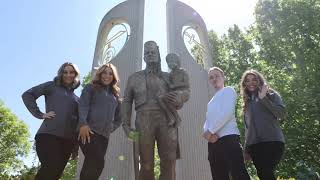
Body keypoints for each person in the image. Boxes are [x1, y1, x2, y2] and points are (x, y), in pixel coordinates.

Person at [122, 41, 189, 180]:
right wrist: (126, 125)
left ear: (158, 54)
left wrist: (180, 97)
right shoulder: (134, 78)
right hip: (143, 119)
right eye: (147, 53)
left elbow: (184, 90)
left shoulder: (168, 76)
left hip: (167, 118)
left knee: (169, 160)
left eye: (153, 52)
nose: (150, 55)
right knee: (146, 163)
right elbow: (127, 101)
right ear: (144, 58)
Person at [22, 62, 80, 180]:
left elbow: (77, 124)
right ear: (61, 74)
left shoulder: (77, 100)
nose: (68, 75)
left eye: (71, 72)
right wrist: (40, 114)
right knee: (51, 167)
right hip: (48, 136)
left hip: (68, 142)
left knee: (55, 175)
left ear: (75, 75)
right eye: (65, 72)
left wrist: (75, 147)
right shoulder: (51, 86)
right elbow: (27, 95)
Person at [203, 67, 250, 180]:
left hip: (229, 139)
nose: (214, 79)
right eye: (211, 77)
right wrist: (206, 134)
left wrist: (211, 131)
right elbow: (207, 121)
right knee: (218, 176)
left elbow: (227, 113)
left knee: (239, 174)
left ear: (223, 77)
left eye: (217, 76)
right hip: (213, 143)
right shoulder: (210, 102)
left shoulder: (229, 91)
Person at [78, 63, 121, 180]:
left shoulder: (115, 96)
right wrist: (83, 124)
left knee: (93, 165)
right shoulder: (90, 88)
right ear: (100, 74)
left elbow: (119, 117)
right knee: (96, 162)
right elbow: (83, 106)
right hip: (88, 131)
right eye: (104, 73)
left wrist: (111, 127)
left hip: (104, 137)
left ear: (114, 77)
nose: (107, 76)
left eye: (110, 73)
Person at [240, 69, 286, 180]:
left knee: (266, 172)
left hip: (273, 142)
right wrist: (246, 150)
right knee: (263, 174)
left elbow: (281, 114)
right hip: (255, 146)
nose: (251, 83)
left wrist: (263, 98)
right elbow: (248, 128)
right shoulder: (247, 103)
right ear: (244, 84)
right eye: (247, 81)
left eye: (254, 79)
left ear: (259, 80)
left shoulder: (271, 95)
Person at [158, 53, 190, 128]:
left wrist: (174, 86)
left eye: (172, 61)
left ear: (177, 61)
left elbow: (186, 84)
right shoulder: (171, 74)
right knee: (160, 98)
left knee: (174, 96)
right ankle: (172, 117)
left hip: (184, 92)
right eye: (168, 62)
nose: (170, 63)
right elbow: (170, 87)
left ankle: (177, 119)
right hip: (174, 93)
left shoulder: (183, 71)